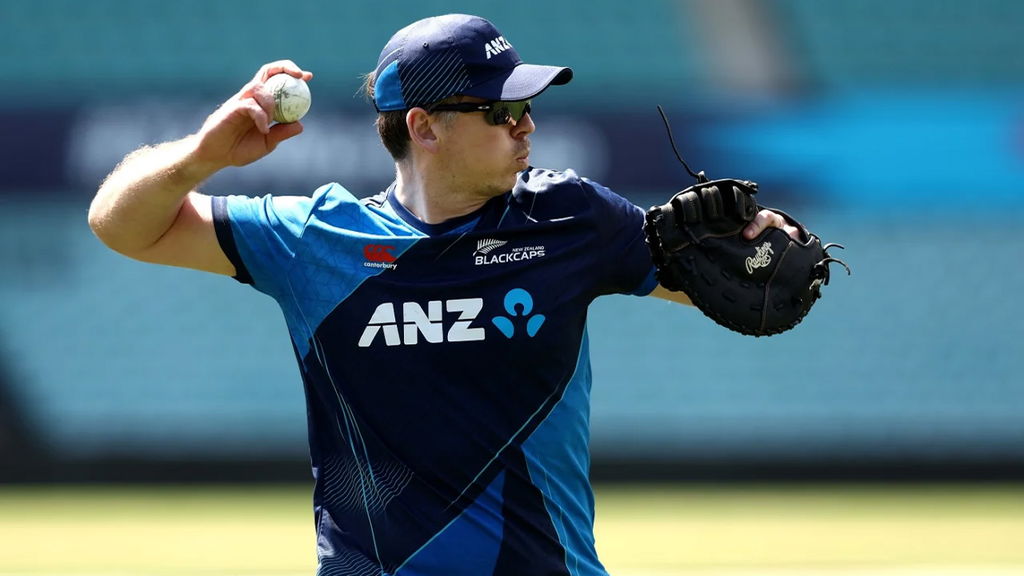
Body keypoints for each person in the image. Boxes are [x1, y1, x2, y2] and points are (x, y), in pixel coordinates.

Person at [89, 14, 798, 576]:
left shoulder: (571, 216)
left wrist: (762, 249)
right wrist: (202, 158)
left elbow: (731, 281)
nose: (525, 125)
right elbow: (120, 225)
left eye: (527, 105)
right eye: (501, 110)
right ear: (425, 127)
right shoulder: (315, 239)